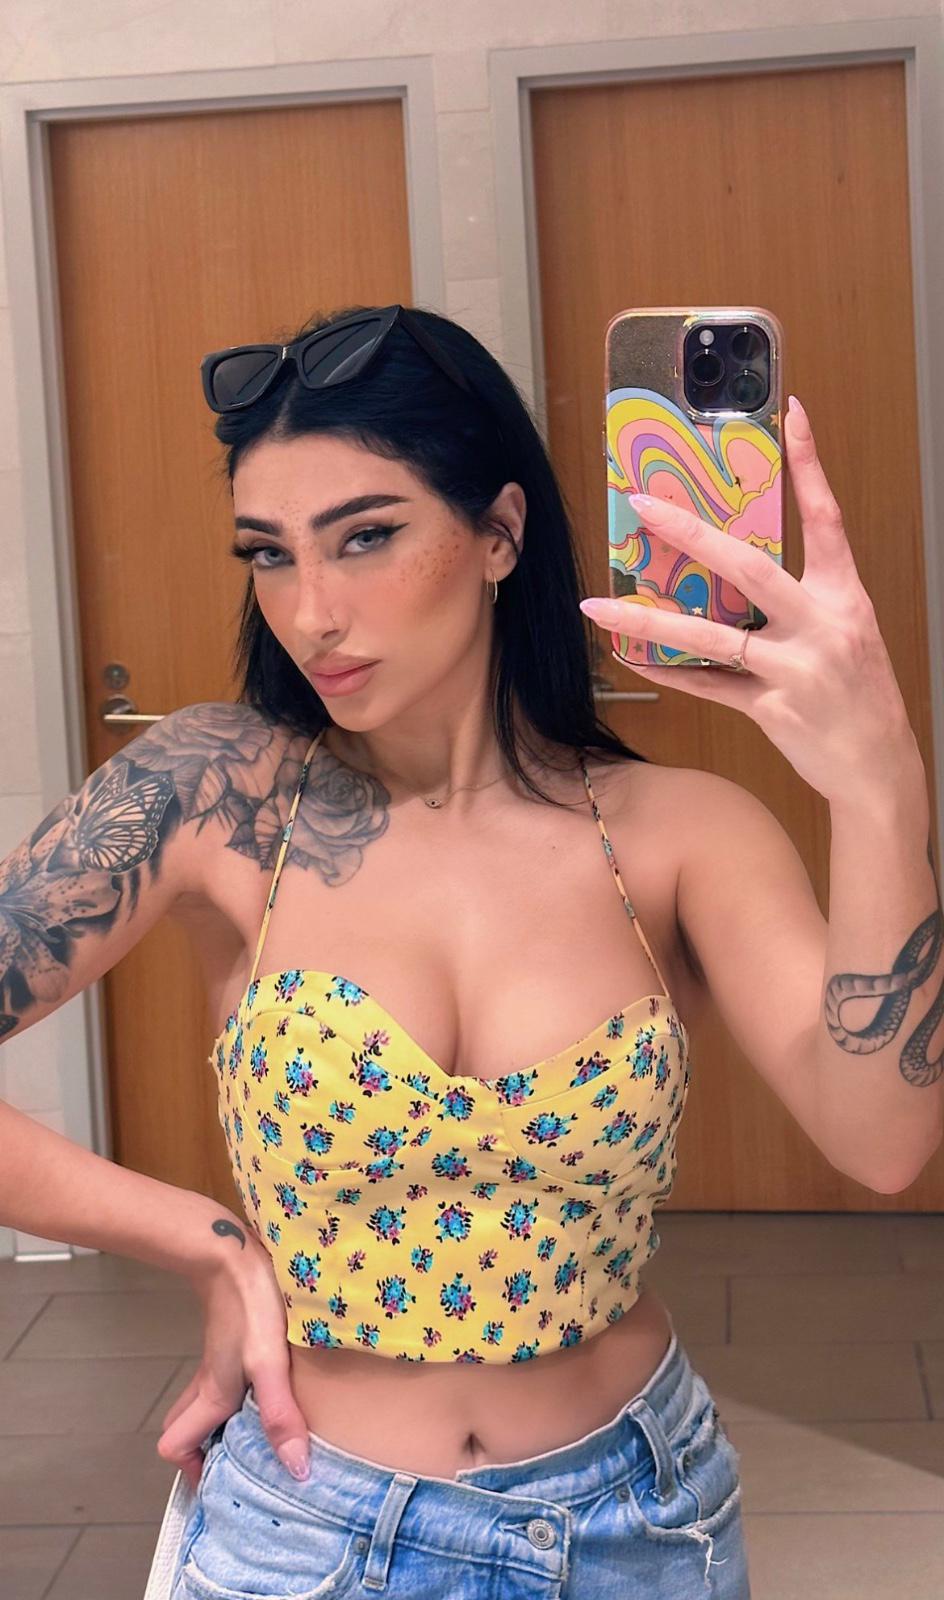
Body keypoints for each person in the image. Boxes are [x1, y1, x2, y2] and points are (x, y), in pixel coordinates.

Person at [7, 301, 788, 1598]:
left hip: (637, 1523)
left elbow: (887, 1137)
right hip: (307, 1529)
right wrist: (208, 1241)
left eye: (366, 536)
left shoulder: (672, 831)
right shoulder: (220, 795)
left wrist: (877, 769)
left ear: (500, 532)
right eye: (269, 555)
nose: (310, 611)